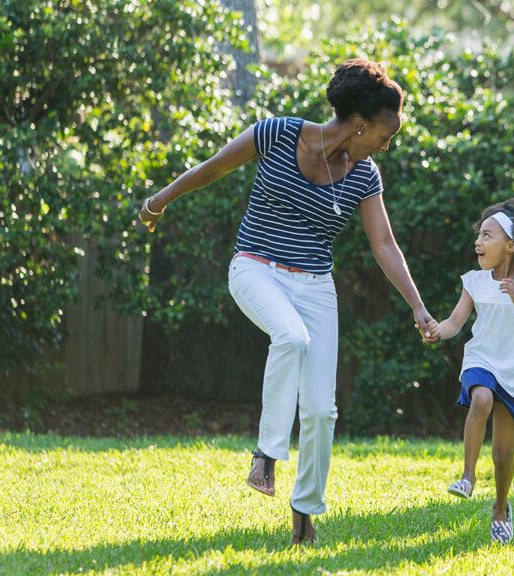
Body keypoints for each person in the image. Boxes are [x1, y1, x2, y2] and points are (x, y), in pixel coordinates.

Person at [138, 58, 437, 545]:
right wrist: (159, 201)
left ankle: (304, 515)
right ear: (359, 124)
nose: (386, 144)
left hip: (315, 284)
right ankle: (267, 454)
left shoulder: (364, 174)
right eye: (385, 135)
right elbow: (211, 168)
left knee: (322, 409)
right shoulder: (277, 133)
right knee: (291, 338)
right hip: (256, 267)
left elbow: (384, 244)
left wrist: (418, 307)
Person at [422, 196, 514, 544]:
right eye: (479, 236)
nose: (478, 243)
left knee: (503, 456)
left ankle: (501, 507)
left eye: (487, 236)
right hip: (481, 359)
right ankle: (467, 476)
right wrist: (436, 331)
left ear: (511, 246)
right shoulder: (475, 281)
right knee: (480, 398)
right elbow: (455, 322)